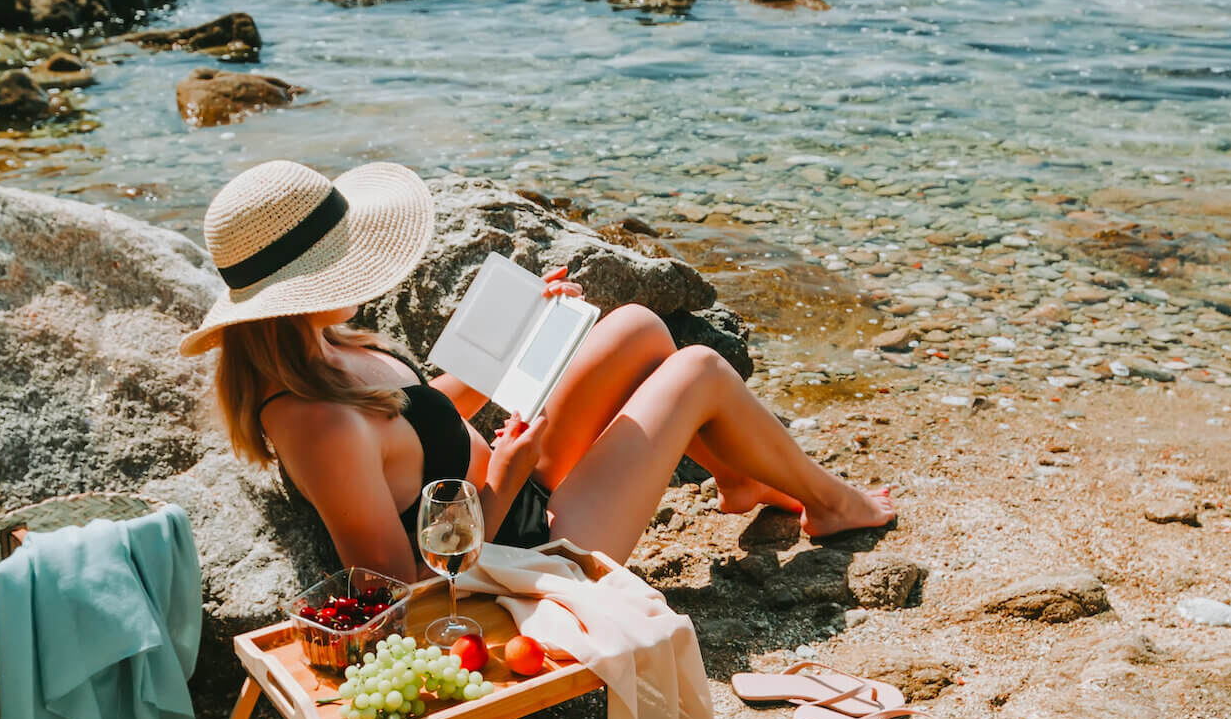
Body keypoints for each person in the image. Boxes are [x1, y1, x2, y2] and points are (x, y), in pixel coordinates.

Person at [180, 160, 895, 581]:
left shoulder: (324, 350)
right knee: (700, 368)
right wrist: (508, 474)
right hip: (519, 559)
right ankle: (831, 505)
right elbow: (405, 586)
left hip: (513, 496)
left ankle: (739, 479)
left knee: (639, 328)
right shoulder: (317, 423)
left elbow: (425, 422)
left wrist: (526, 334)